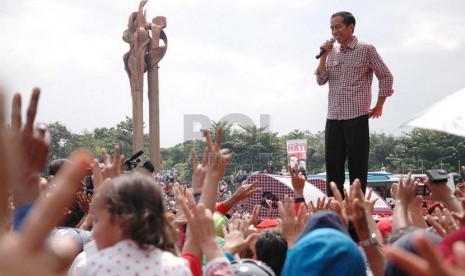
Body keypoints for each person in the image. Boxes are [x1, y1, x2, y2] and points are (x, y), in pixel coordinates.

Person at [315, 11, 394, 197]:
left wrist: (379, 104)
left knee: (357, 166)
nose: (334, 31)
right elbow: (321, 79)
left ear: (351, 27)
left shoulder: (366, 49)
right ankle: (335, 207)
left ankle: (357, 208)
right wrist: (324, 56)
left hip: (357, 115)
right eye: (332, 28)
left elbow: (385, 75)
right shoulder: (331, 52)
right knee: (333, 165)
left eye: (338, 27)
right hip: (333, 115)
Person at [85, 172, 191, 275]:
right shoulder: (178, 267)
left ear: (121, 220)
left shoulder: (95, 265)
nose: (93, 233)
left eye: (97, 220)